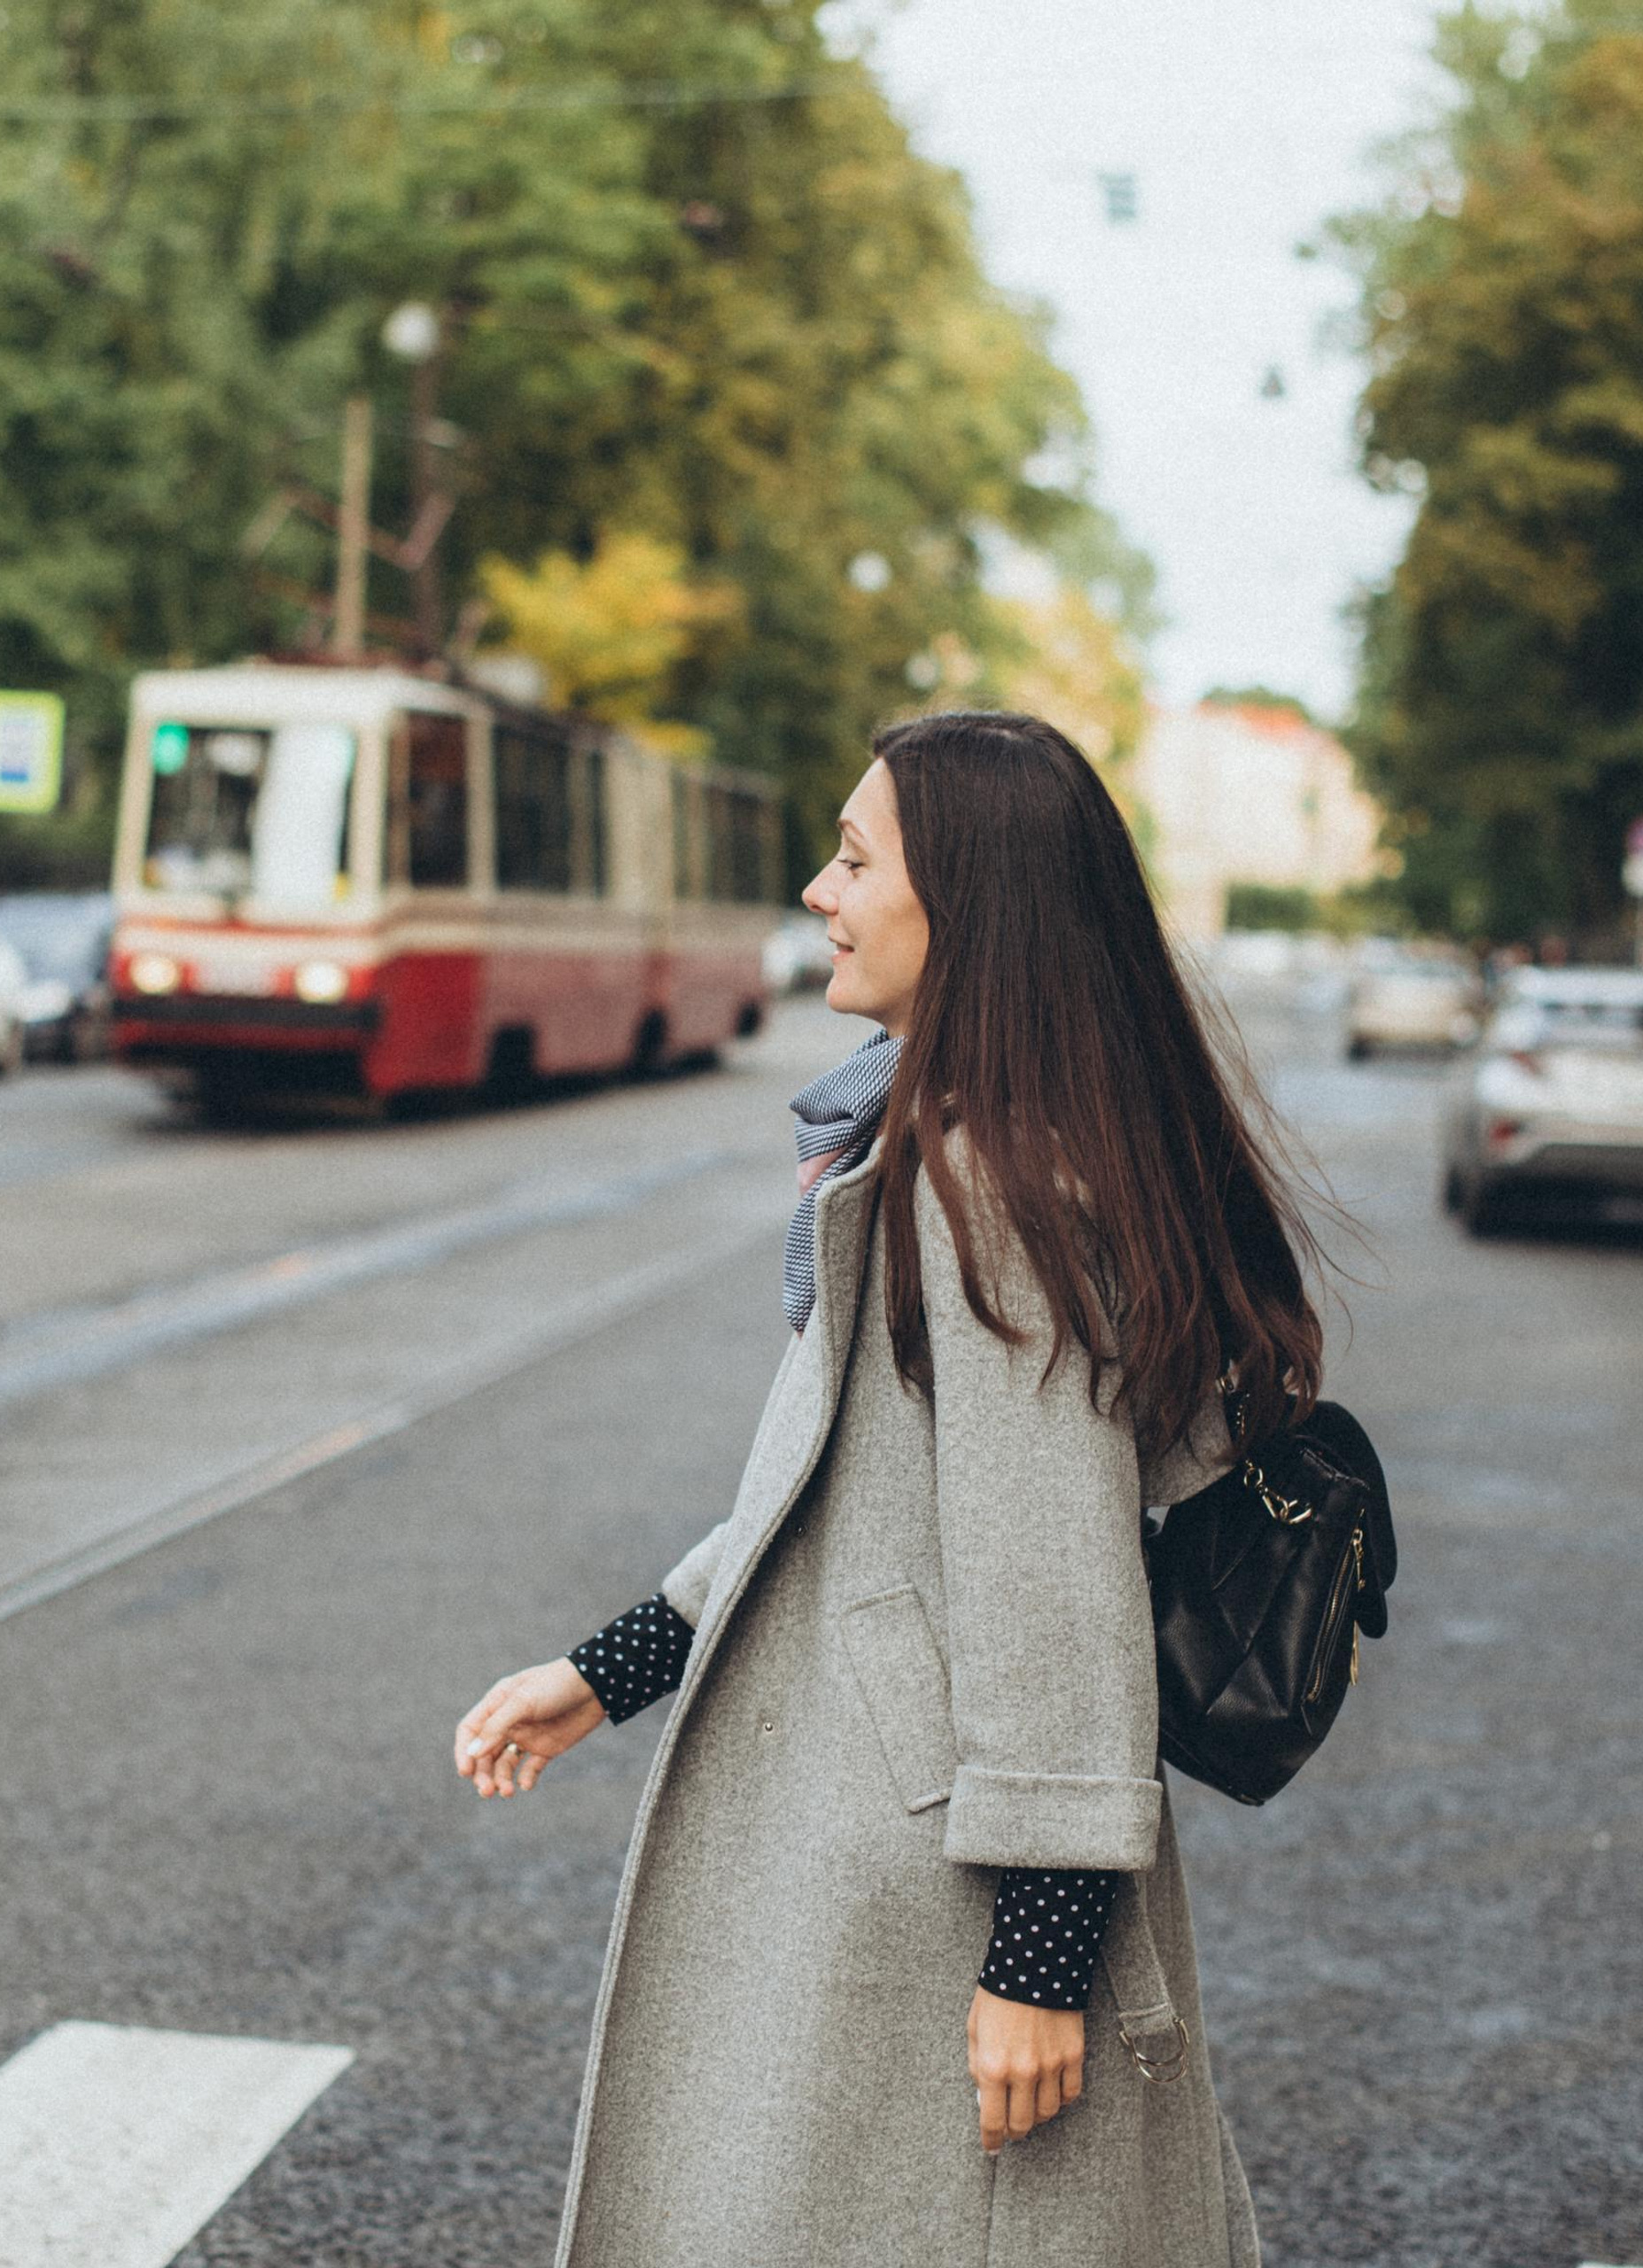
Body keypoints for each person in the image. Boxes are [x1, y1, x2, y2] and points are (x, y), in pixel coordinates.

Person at [453, 711, 1324, 2268]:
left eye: (856, 860)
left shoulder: (985, 1179)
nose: (816, 890)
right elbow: (843, 1496)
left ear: (970, 908)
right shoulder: (954, 1142)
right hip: (889, 1853)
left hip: (930, 1887)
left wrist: (1043, 1952)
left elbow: (1049, 1570)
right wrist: (605, 1672)